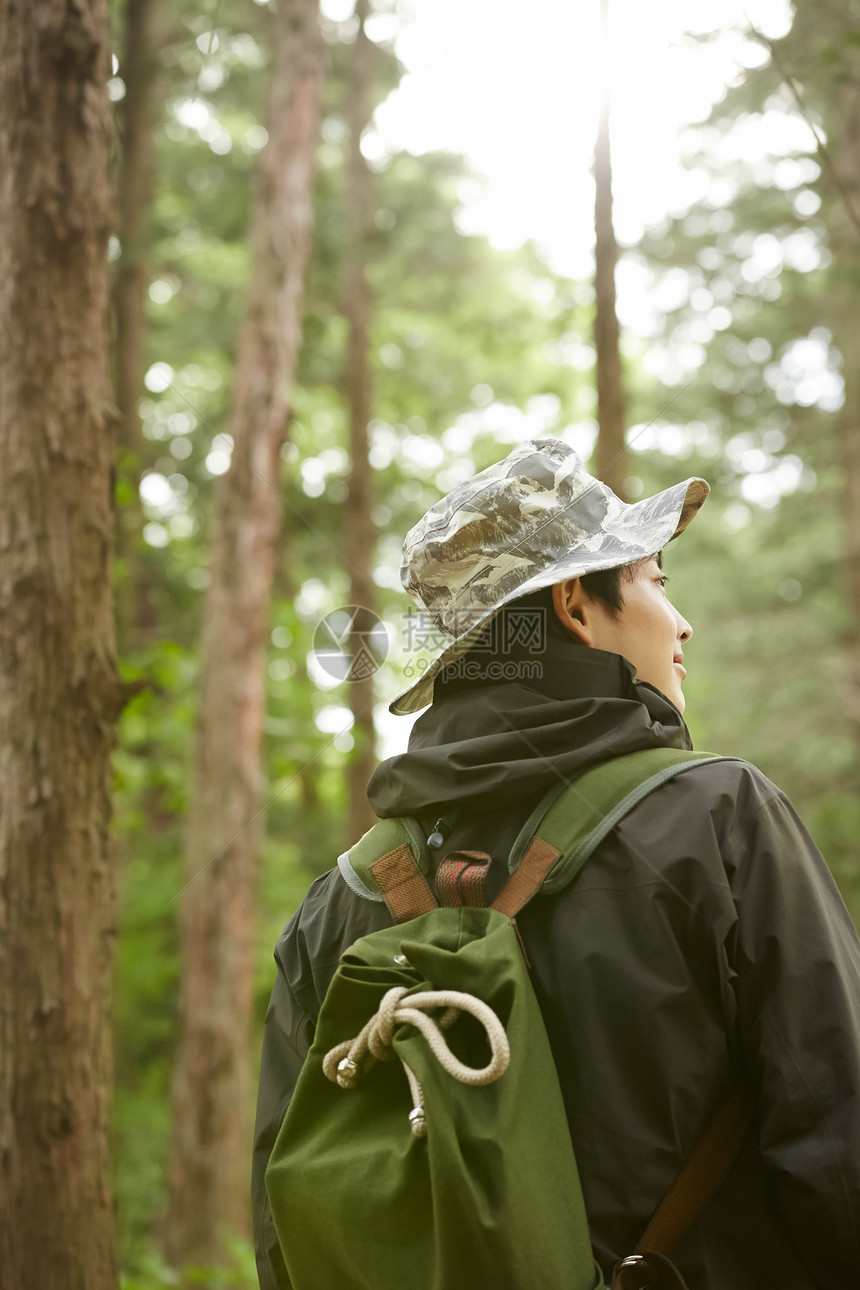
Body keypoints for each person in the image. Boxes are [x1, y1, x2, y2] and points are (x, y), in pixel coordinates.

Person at [252, 438, 860, 1290]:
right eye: (655, 580)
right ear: (576, 603)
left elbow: (285, 1230)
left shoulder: (340, 901)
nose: (680, 622)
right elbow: (838, 1147)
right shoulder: (719, 820)